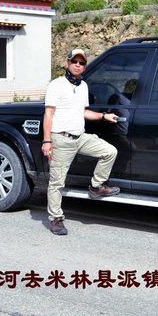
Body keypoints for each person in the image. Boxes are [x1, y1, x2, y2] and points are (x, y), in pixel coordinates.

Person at [42, 48, 121, 236]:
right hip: (61, 139)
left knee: (109, 151)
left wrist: (103, 116)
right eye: (74, 61)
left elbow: (83, 112)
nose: (77, 65)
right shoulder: (56, 85)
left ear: (85, 66)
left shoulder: (83, 86)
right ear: (67, 63)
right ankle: (55, 219)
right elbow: (48, 114)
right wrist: (47, 141)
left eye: (82, 62)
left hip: (80, 137)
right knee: (57, 183)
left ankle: (96, 187)